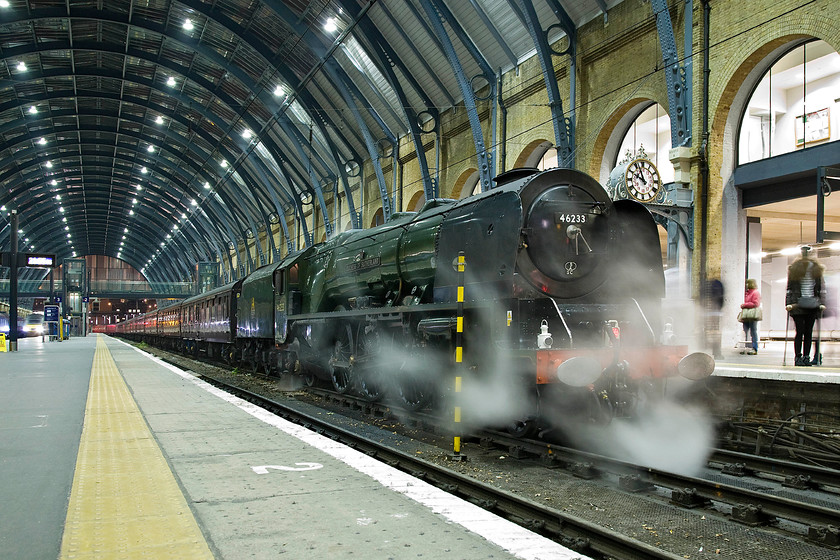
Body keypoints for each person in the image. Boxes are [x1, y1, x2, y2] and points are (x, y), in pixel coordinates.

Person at [785, 246, 825, 366]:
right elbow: (789, 288)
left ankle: (806, 357)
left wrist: (822, 303)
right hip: (797, 305)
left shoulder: (816, 270)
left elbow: (821, 288)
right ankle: (798, 357)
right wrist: (788, 303)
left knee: (808, 332)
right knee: (801, 331)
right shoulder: (795, 269)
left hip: (811, 305)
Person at [740, 279, 761, 355]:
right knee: (745, 330)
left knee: (753, 331)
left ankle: (755, 348)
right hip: (746, 314)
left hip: (752, 315)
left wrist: (745, 305)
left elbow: (756, 303)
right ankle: (745, 347)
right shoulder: (747, 293)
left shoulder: (755, 293)